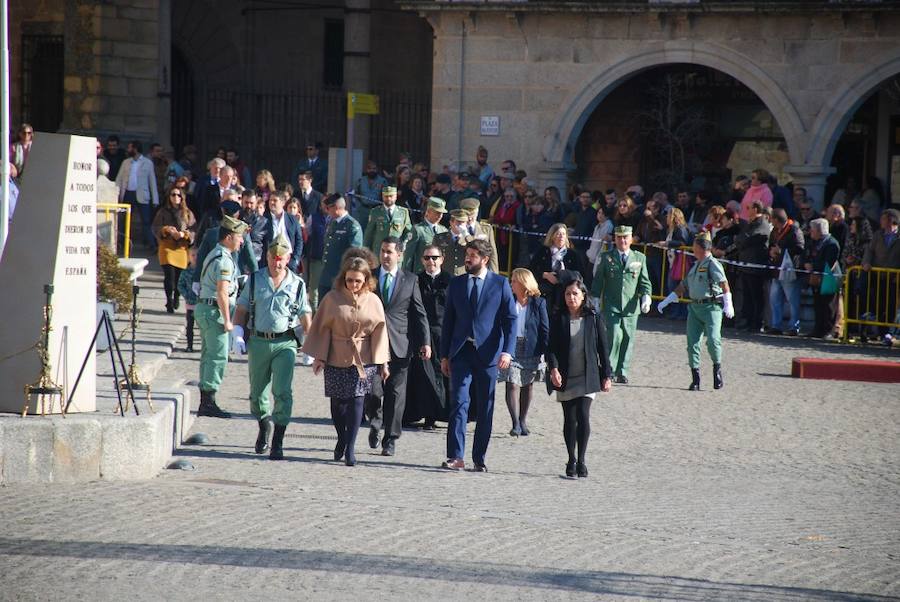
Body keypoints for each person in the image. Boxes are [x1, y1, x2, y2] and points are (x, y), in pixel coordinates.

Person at [303, 257, 390, 467]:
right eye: (350, 280)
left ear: (366, 280)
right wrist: (319, 357)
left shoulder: (374, 301)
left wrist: (383, 363)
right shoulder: (332, 299)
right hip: (335, 356)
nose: (353, 285)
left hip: (363, 358)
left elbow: (380, 332)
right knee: (338, 403)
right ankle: (341, 438)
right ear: (343, 278)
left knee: (357, 400)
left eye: (358, 281)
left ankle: (350, 448)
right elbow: (322, 329)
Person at [232, 235, 313, 460]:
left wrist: (311, 345)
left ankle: (278, 440)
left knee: (282, 391)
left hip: (285, 343)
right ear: (266, 256)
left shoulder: (297, 283)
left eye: (280, 259)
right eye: (272, 258)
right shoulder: (256, 279)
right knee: (257, 393)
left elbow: (305, 314)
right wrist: (237, 333)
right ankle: (263, 424)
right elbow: (241, 309)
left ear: (288, 259)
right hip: (259, 341)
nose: (276, 263)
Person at [440, 239, 517, 472]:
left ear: (484, 259)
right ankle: (456, 456)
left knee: (485, 407)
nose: (468, 258)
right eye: (467, 254)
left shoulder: (500, 283)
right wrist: (445, 355)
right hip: (461, 352)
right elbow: (448, 322)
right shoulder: (456, 283)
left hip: (489, 354)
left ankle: (479, 457)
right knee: (459, 403)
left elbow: (510, 319)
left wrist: (507, 351)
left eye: (473, 255)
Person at [364, 237, 431, 456]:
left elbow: (419, 313)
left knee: (395, 392)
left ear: (399, 255)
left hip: (400, 344)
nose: (385, 256)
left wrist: (425, 342)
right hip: (372, 344)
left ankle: (390, 438)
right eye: (382, 251)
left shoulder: (410, 280)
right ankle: (375, 421)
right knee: (373, 391)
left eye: (390, 252)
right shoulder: (369, 277)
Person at [546, 278, 612, 479]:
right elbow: (552, 348)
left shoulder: (593, 317)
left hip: (587, 374)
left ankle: (582, 460)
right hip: (566, 375)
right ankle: (571, 458)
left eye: (575, 293)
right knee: (569, 418)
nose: (571, 298)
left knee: (583, 415)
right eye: (567, 294)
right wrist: (553, 369)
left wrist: (607, 375)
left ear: (583, 295)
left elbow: (603, 347)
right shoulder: (558, 318)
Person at [658, 231, 735, 390]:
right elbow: (683, 286)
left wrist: (728, 303)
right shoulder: (695, 266)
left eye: (694, 246)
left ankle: (717, 370)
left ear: (700, 248)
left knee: (713, 341)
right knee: (692, 343)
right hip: (694, 308)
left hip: (711, 307)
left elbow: (724, 283)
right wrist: (667, 300)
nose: (692, 249)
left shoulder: (713, 264)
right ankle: (696, 378)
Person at [195, 215, 249, 418]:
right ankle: (208, 402)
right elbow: (222, 293)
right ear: (228, 238)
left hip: (206, 309)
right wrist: (228, 320)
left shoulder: (216, 254)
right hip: (214, 312)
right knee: (217, 357)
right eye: (239, 237)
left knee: (208, 355)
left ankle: (206, 400)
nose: (242, 241)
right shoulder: (224, 260)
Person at [590, 225, 652, 384]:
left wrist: (646, 297)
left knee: (628, 338)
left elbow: (645, 282)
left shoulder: (639, 258)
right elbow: (598, 280)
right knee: (614, 336)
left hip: (631, 307)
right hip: (612, 305)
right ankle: (608, 369)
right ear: (615, 239)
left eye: (625, 237)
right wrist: (595, 299)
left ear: (631, 239)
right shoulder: (606, 257)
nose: (622, 240)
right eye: (619, 237)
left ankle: (622, 371)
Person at [499, 268, 549, 437]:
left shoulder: (538, 303)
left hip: (531, 348)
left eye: (514, 280)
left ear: (523, 283)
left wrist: (545, 352)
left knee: (527, 385)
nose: (511, 283)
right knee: (511, 383)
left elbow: (544, 329)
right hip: (511, 347)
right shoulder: (508, 300)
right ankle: (514, 423)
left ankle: (522, 420)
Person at [406, 244, 451, 429]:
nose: (430, 261)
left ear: (442, 259)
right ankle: (426, 414)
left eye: (434, 257)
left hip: (443, 332)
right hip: (421, 334)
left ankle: (442, 413)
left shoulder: (451, 281)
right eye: (426, 258)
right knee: (423, 375)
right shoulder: (416, 279)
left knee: (443, 374)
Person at [151, 186, 196, 313]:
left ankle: (176, 296)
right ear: (169, 197)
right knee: (169, 276)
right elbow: (155, 227)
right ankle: (169, 301)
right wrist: (166, 230)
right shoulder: (163, 212)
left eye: (178, 195)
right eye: (173, 195)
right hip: (167, 247)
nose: (176, 197)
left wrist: (184, 235)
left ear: (182, 198)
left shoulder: (187, 213)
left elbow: (193, 229)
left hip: (181, 248)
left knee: (178, 277)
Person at [529, 223, 591, 314]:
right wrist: (545, 275)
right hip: (546, 293)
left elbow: (581, 275)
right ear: (552, 236)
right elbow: (530, 270)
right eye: (558, 234)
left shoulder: (572, 254)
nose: (561, 236)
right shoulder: (542, 251)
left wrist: (562, 276)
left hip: (565, 294)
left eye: (563, 234)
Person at [765, 208, 805, 335]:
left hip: (789, 271)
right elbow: (771, 245)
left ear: (776, 220)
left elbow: (800, 247)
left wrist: (782, 250)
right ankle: (776, 325)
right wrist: (771, 251)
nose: (770, 221)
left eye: (771, 218)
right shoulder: (775, 231)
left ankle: (794, 326)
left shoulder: (794, 230)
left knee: (793, 301)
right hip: (776, 270)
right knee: (774, 299)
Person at [115, 140, 160, 250]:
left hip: (142, 195)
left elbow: (152, 181)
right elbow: (119, 179)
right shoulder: (126, 162)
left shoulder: (147, 163)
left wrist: (155, 199)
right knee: (124, 220)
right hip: (128, 193)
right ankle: (122, 243)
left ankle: (152, 244)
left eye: (130, 148)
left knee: (146, 221)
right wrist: (116, 194)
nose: (128, 150)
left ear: (135, 149)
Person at [735, 201, 772, 333]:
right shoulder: (750, 223)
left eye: (748, 207)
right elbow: (739, 239)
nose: (746, 210)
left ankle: (757, 323)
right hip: (746, 265)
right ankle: (748, 321)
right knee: (747, 296)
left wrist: (742, 241)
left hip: (756, 266)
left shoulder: (762, 223)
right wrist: (741, 241)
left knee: (756, 297)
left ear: (755, 209)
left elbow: (750, 239)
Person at [319, 194, 364, 301]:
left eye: (328, 208)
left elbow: (354, 255)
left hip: (340, 276)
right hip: (326, 275)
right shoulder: (332, 223)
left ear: (336, 208)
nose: (326, 211)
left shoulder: (352, 225)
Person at [804, 218, 842, 339]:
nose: (811, 232)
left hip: (829, 278)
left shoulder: (832, 244)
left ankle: (828, 330)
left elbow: (829, 263)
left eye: (813, 230)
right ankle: (817, 329)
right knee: (818, 304)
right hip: (817, 278)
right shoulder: (814, 242)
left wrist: (813, 266)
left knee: (828, 306)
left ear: (820, 231)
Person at [261, 190, 304, 273]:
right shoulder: (264, 219)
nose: (272, 202)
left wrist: (295, 259)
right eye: (270, 200)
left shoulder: (292, 219)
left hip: (289, 260)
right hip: (270, 260)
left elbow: (299, 240)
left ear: (283, 203)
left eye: (275, 200)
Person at [402, 197, 449, 273]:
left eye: (442, 213)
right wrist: (406, 275)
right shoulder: (418, 230)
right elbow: (408, 256)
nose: (440, 216)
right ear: (429, 211)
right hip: (421, 273)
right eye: (437, 212)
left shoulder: (443, 230)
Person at [363, 186, 412, 255]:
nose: (388, 198)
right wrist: (366, 251)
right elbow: (369, 233)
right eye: (386, 196)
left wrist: (404, 243)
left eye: (391, 196)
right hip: (379, 252)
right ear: (382, 196)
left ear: (396, 197)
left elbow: (409, 231)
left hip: (396, 252)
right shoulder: (375, 212)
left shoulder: (403, 212)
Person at [432, 209, 472, 276]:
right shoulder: (439, 238)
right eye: (458, 222)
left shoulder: (469, 239)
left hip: (463, 275)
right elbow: (434, 257)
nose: (461, 225)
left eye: (463, 222)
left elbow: (476, 248)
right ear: (451, 222)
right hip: (445, 275)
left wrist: (466, 235)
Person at [177, 247, 199, 352]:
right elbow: (180, 285)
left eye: (197, 255)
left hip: (202, 303)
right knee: (190, 326)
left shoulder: (203, 270)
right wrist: (186, 295)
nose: (195, 258)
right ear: (189, 257)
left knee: (204, 328)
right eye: (193, 255)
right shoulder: (186, 272)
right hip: (190, 303)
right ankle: (189, 345)